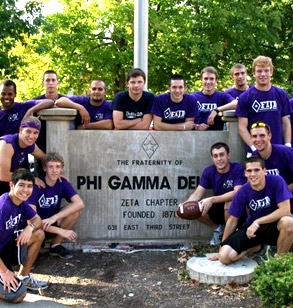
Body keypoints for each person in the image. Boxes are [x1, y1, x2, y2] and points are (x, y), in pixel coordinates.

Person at [216, 156, 293, 264]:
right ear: (245, 173)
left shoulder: (277, 181)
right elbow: (233, 220)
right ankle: (257, 248)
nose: (253, 174)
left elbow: (285, 210)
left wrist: (258, 221)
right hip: (252, 230)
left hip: (274, 226)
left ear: (264, 171)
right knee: (224, 257)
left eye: (257, 170)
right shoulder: (243, 191)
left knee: (289, 222)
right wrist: (222, 245)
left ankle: (278, 262)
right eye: (249, 171)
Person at [179, 142, 246, 245]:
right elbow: (197, 194)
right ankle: (218, 229)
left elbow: (238, 192)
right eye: (215, 156)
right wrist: (185, 206)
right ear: (212, 158)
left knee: (229, 202)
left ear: (228, 155)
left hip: (237, 210)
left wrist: (212, 199)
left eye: (222, 154)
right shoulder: (209, 171)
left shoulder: (237, 169)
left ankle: (229, 238)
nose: (219, 159)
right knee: (193, 208)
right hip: (218, 208)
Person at [0, 169, 48, 303]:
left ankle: (23, 277)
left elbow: (37, 220)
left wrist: (29, 228)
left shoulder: (20, 203)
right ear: (11, 185)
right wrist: (5, 272)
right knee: (18, 296)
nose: (25, 190)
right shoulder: (3, 206)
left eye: (29, 186)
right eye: (21, 185)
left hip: (4, 249)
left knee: (38, 234)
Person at [28, 152, 85, 259]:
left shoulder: (62, 182)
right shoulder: (37, 185)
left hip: (51, 222)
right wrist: (62, 231)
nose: (54, 170)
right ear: (45, 168)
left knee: (76, 211)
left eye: (58, 167)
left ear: (61, 169)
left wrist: (53, 218)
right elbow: (31, 221)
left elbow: (79, 204)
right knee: (30, 260)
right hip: (36, 227)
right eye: (51, 167)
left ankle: (55, 246)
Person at [236, 56, 291, 154]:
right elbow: (242, 127)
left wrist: (287, 145)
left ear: (271, 72)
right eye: (259, 71)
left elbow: (285, 122)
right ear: (254, 73)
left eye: (266, 71)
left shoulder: (281, 94)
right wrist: (254, 148)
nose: (263, 74)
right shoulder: (245, 97)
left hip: (277, 148)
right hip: (255, 150)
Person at [250, 122, 293, 206]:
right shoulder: (254, 157)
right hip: (268, 204)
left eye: (262, 135)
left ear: (269, 136)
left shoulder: (286, 152)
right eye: (255, 136)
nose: (258, 140)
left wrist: (282, 192)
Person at [0, 116, 45, 195]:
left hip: (9, 182)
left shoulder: (30, 145)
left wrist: (56, 173)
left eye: (35, 133)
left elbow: (45, 158)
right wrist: (32, 179)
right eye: (28, 131)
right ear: (21, 130)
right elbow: (4, 176)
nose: (31, 136)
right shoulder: (7, 145)